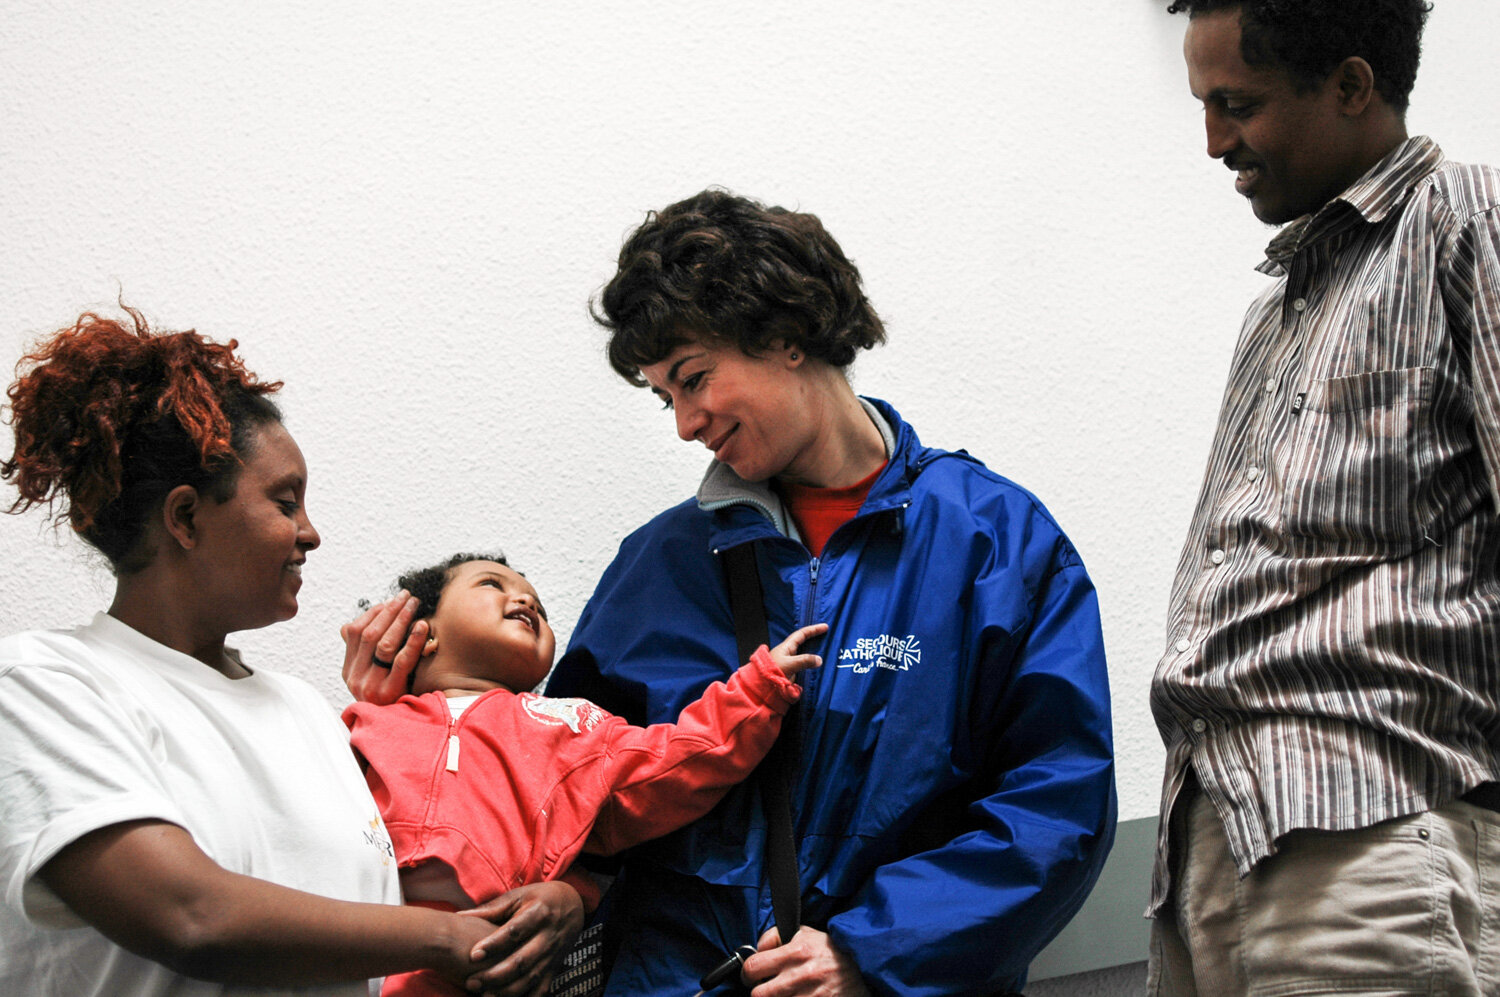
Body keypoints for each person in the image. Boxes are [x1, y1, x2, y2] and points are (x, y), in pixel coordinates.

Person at [348, 190, 1116, 996]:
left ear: (784, 334)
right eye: (664, 397)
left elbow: (1056, 803)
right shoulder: (658, 565)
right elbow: (566, 786)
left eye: (694, 379)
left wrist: (872, 951)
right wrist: (416, 711)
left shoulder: (995, 541)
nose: (684, 422)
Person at [0, 308, 583, 997]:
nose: (310, 534)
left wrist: (568, 896)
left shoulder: (307, 711)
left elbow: (431, 860)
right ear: (186, 517)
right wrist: (448, 937)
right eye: (286, 502)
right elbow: (191, 915)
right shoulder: (44, 683)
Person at [1149, 2, 1500, 994]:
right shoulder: (1276, 308)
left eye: (1237, 104)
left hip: (1376, 830)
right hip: (1211, 842)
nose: (1215, 141)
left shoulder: (1470, 220)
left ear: (1351, 85)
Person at [344, 552, 827, 996]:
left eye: (539, 604)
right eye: (492, 584)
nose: (525, 598)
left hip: (488, 952)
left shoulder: (568, 724)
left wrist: (757, 689)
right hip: (361, 938)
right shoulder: (364, 722)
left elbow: (673, 761)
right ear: (421, 631)